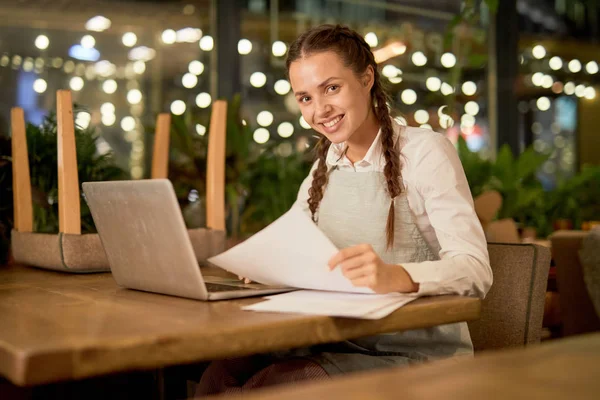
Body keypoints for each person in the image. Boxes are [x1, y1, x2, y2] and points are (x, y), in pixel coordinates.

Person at [195, 24, 492, 396]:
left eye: (331, 88)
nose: (319, 110)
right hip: (332, 339)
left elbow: (475, 270)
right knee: (217, 376)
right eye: (304, 98)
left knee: (273, 387)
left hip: (412, 352)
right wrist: (266, 265)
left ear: (367, 78)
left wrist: (395, 276)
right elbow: (294, 245)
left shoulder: (424, 152)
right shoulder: (324, 165)